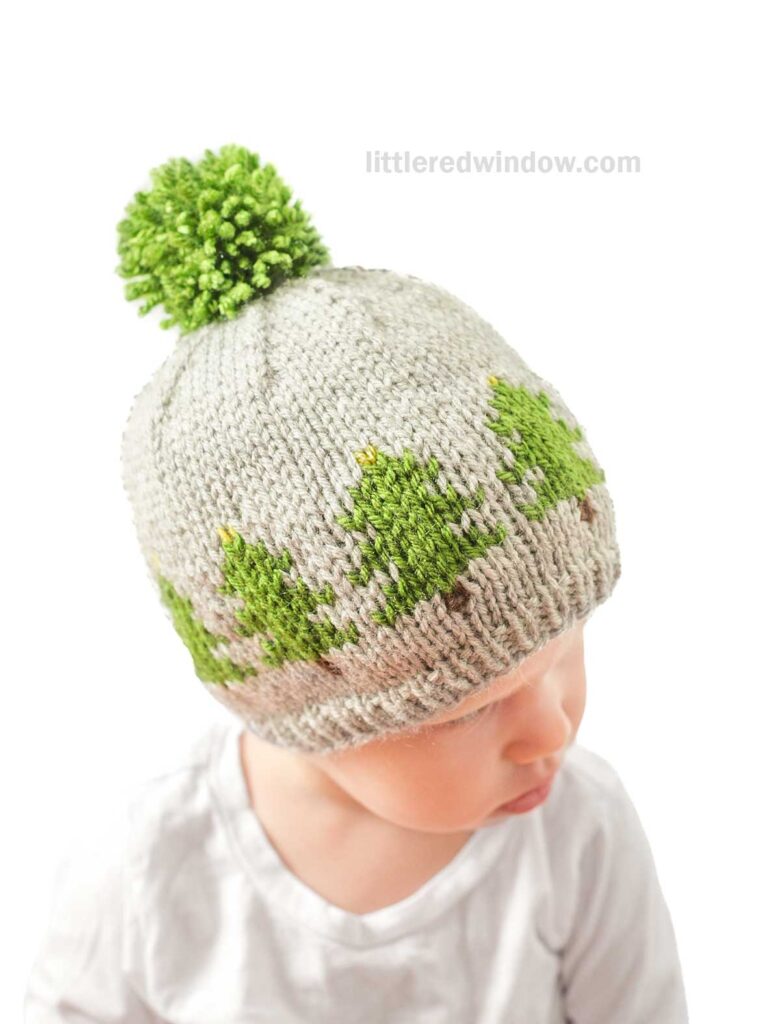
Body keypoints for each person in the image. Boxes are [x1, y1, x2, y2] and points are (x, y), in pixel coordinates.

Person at [24, 144, 688, 1022]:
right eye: (469, 707)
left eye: (565, 649)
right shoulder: (152, 864)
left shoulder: (578, 830)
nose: (553, 727)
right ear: (304, 709)